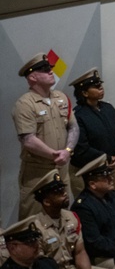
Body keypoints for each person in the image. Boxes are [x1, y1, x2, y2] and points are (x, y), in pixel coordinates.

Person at [13, 54, 79, 219]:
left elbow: (73, 126)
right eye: (44, 70)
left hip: (62, 169)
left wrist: (67, 150)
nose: (50, 71)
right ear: (33, 77)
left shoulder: (61, 98)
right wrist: (54, 155)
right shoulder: (25, 104)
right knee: (34, 218)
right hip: (38, 173)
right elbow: (28, 139)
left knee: (63, 215)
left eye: (49, 68)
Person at [69, 69, 115, 194]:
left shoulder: (108, 109)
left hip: (109, 168)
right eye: (95, 86)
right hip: (86, 172)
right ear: (84, 92)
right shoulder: (78, 115)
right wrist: (108, 157)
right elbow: (82, 148)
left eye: (100, 84)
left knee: (111, 204)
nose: (101, 88)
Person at [71, 155, 115, 267]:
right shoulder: (83, 207)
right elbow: (95, 243)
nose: (111, 179)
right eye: (105, 177)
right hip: (103, 257)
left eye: (110, 174)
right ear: (92, 184)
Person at [29, 171, 90, 269]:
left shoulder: (71, 217)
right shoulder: (36, 228)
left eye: (63, 189)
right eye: (58, 192)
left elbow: (80, 252)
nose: (65, 193)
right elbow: (41, 264)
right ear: (47, 202)